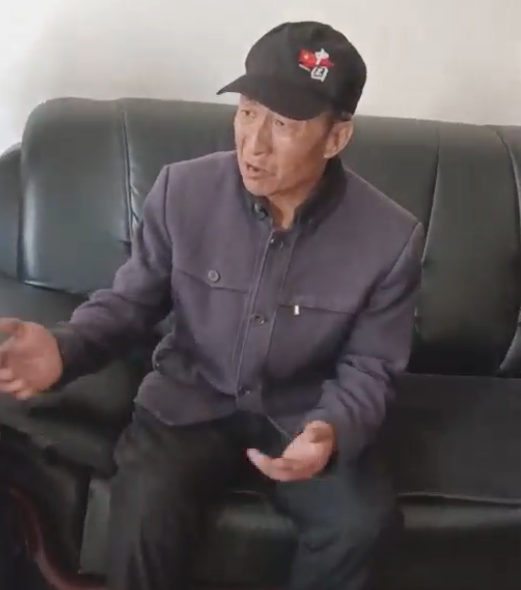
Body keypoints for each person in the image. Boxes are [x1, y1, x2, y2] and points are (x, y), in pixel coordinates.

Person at [0, 21, 424, 590]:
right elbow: (129, 304)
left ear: (336, 137)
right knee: (142, 509)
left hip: (302, 413)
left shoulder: (389, 238)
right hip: (186, 406)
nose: (255, 143)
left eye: (284, 124)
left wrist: (331, 428)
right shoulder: (182, 191)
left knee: (361, 525)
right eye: (248, 112)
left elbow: (371, 367)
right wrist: (65, 346)